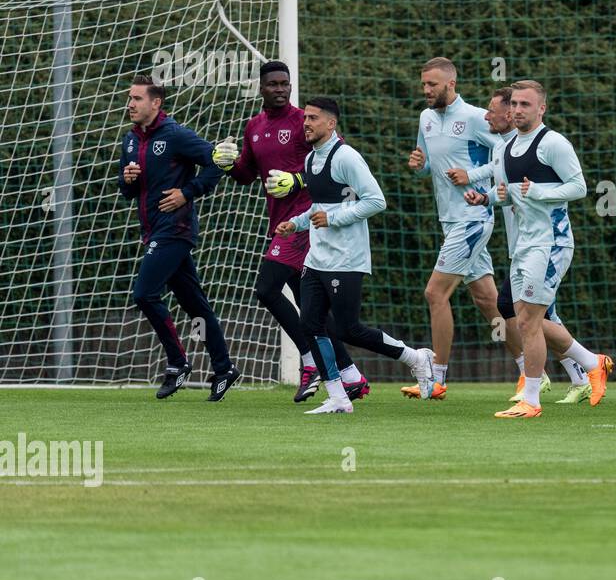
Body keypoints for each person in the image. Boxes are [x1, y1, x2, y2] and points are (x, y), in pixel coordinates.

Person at [212, 60, 365, 404]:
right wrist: (225, 165)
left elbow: (330, 163)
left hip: (306, 221)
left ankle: (310, 360)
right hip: (281, 222)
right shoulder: (254, 126)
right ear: (261, 88)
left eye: (285, 83)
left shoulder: (304, 122)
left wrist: (297, 180)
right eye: (274, 84)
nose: (281, 89)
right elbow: (246, 174)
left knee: (266, 289)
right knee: (311, 310)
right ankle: (352, 376)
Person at [274, 97, 436, 414]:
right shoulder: (310, 161)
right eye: (305, 118)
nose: (306, 123)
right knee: (310, 325)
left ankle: (415, 358)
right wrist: (296, 223)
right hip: (315, 259)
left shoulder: (346, 157)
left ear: (331, 124)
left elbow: (376, 201)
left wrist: (334, 219)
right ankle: (338, 397)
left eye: (313, 118)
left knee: (349, 329)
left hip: (346, 259)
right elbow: (319, 208)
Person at [471, 80, 612, 419]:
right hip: (522, 244)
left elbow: (578, 187)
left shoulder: (553, 143)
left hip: (551, 243)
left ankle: (531, 400)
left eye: (525, 105)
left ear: (541, 109)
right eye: (514, 104)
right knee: (523, 320)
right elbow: (505, 191)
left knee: (530, 321)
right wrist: (486, 197)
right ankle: (593, 363)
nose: (517, 110)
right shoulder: (505, 149)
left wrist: (538, 192)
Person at [118, 75, 238, 401]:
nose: (130, 104)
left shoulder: (175, 135)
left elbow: (219, 161)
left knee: (145, 294)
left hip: (175, 229)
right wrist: (128, 179)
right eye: (130, 98)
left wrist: (188, 192)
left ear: (156, 103)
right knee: (194, 305)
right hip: (154, 230)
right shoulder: (130, 140)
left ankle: (177, 362)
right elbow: (128, 191)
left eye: (137, 99)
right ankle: (224, 367)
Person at [407, 57, 501, 398]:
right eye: (423, 85)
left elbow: (506, 156)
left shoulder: (476, 117)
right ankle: (532, 373)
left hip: (473, 217)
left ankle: (436, 379)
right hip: (449, 220)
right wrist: (419, 165)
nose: (426, 90)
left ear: (451, 84)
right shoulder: (426, 118)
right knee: (488, 300)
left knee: (435, 293)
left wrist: (472, 176)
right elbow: (428, 163)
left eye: (432, 84)